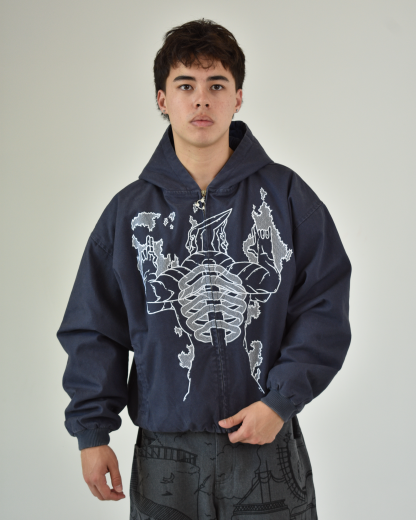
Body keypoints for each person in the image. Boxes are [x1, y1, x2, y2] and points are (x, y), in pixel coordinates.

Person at [57, 18, 351, 519]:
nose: (201, 101)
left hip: (265, 441)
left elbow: (324, 304)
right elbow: (94, 327)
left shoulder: (286, 197)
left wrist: (279, 401)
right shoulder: (129, 214)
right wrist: (92, 433)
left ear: (238, 98)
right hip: (165, 451)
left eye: (216, 85)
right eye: (185, 86)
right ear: (162, 99)